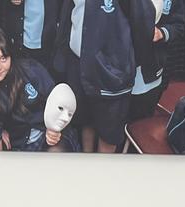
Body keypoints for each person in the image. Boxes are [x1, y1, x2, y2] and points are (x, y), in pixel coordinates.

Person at [52, 0, 156, 151]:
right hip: (78, 63)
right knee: (85, 119)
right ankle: (87, 158)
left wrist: (123, 61)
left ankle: (103, 165)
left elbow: (144, 22)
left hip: (111, 71)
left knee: (109, 132)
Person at [0, 26, 70, 150]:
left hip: (46, 133)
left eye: (3, 58)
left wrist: (55, 129)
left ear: (11, 57)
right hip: (18, 144)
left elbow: (60, 101)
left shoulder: (31, 70)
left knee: (56, 152)